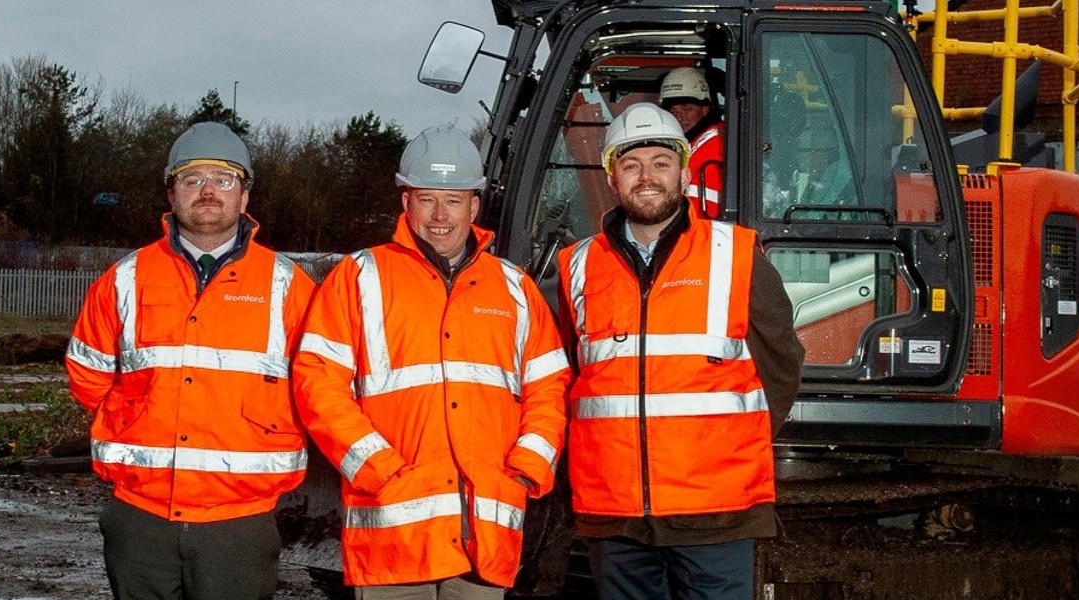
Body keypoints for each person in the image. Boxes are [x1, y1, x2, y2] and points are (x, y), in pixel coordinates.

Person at [294, 126, 571, 599]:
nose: (440, 216)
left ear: (474, 206)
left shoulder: (514, 289)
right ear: (406, 203)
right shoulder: (359, 279)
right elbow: (317, 383)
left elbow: (549, 387)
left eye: (454, 200)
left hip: (482, 539)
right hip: (393, 537)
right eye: (427, 199)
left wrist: (526, 467)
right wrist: (376, 466)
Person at [559, 102, 805, 600]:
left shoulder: (735, 256)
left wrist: (725, 449)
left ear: (685, 173)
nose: (646, 177)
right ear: (612, 177)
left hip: (715, 511)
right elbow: (564, 377)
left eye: (660, 163)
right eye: (631, 165)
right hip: (616, 514)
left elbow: (779, 366)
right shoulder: (577, 266)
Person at [64, 121, 316, 600]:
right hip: (140, 516)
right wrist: (134, 421)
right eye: (192, 179)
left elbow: (317, 384)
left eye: (223, 180)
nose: (207, 191)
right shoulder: (126, 278)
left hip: (240, 520)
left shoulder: (289, 286)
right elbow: (87, 372)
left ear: (244, 197)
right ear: (171, 193)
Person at [660, 66, 726, 219]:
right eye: (673, 111)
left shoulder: (715, 144)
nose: (679, 117)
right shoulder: (693, 144)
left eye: (686, 109)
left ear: (705, 109)